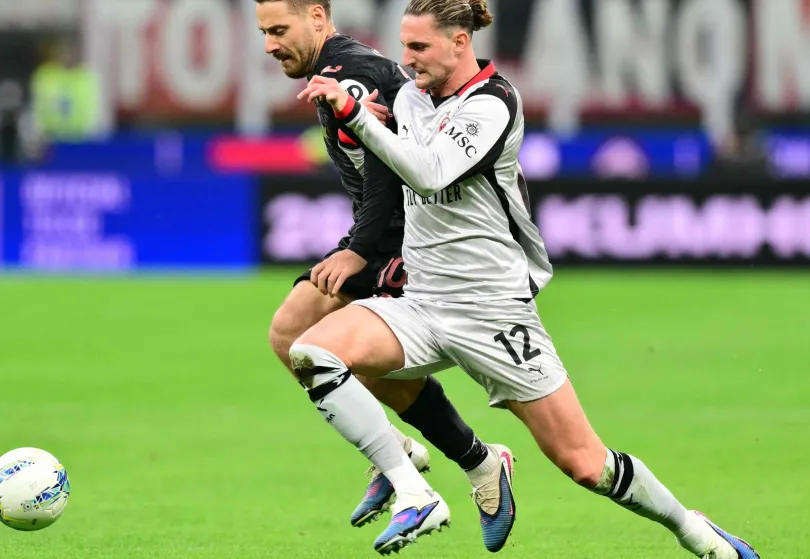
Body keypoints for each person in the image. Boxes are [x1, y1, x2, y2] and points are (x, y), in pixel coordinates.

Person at [295, 0, 762, 558]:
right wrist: (365, 126)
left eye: (419, 47)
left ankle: (698, 534)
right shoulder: (412, 98)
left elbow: (429, 170)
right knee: (313, 352)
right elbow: (390, 160)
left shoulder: (493, 103)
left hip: (494, 312)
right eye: (404, 45)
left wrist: (360, 118)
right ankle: (413, 489)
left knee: (585, 463)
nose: (407, 60)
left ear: (460, 42)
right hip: (421, 302)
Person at [256, 0, 510, 550]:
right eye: (264, 32)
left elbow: (388, 168)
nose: (270, 44)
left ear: (319, 18)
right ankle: (410, 455)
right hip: (377, 236)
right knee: (290, 335)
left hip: (405, 242)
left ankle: (449, 472)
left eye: (280, 29)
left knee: (337, 357)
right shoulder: (335, 71)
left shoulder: (356, 74)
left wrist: (360, 249)